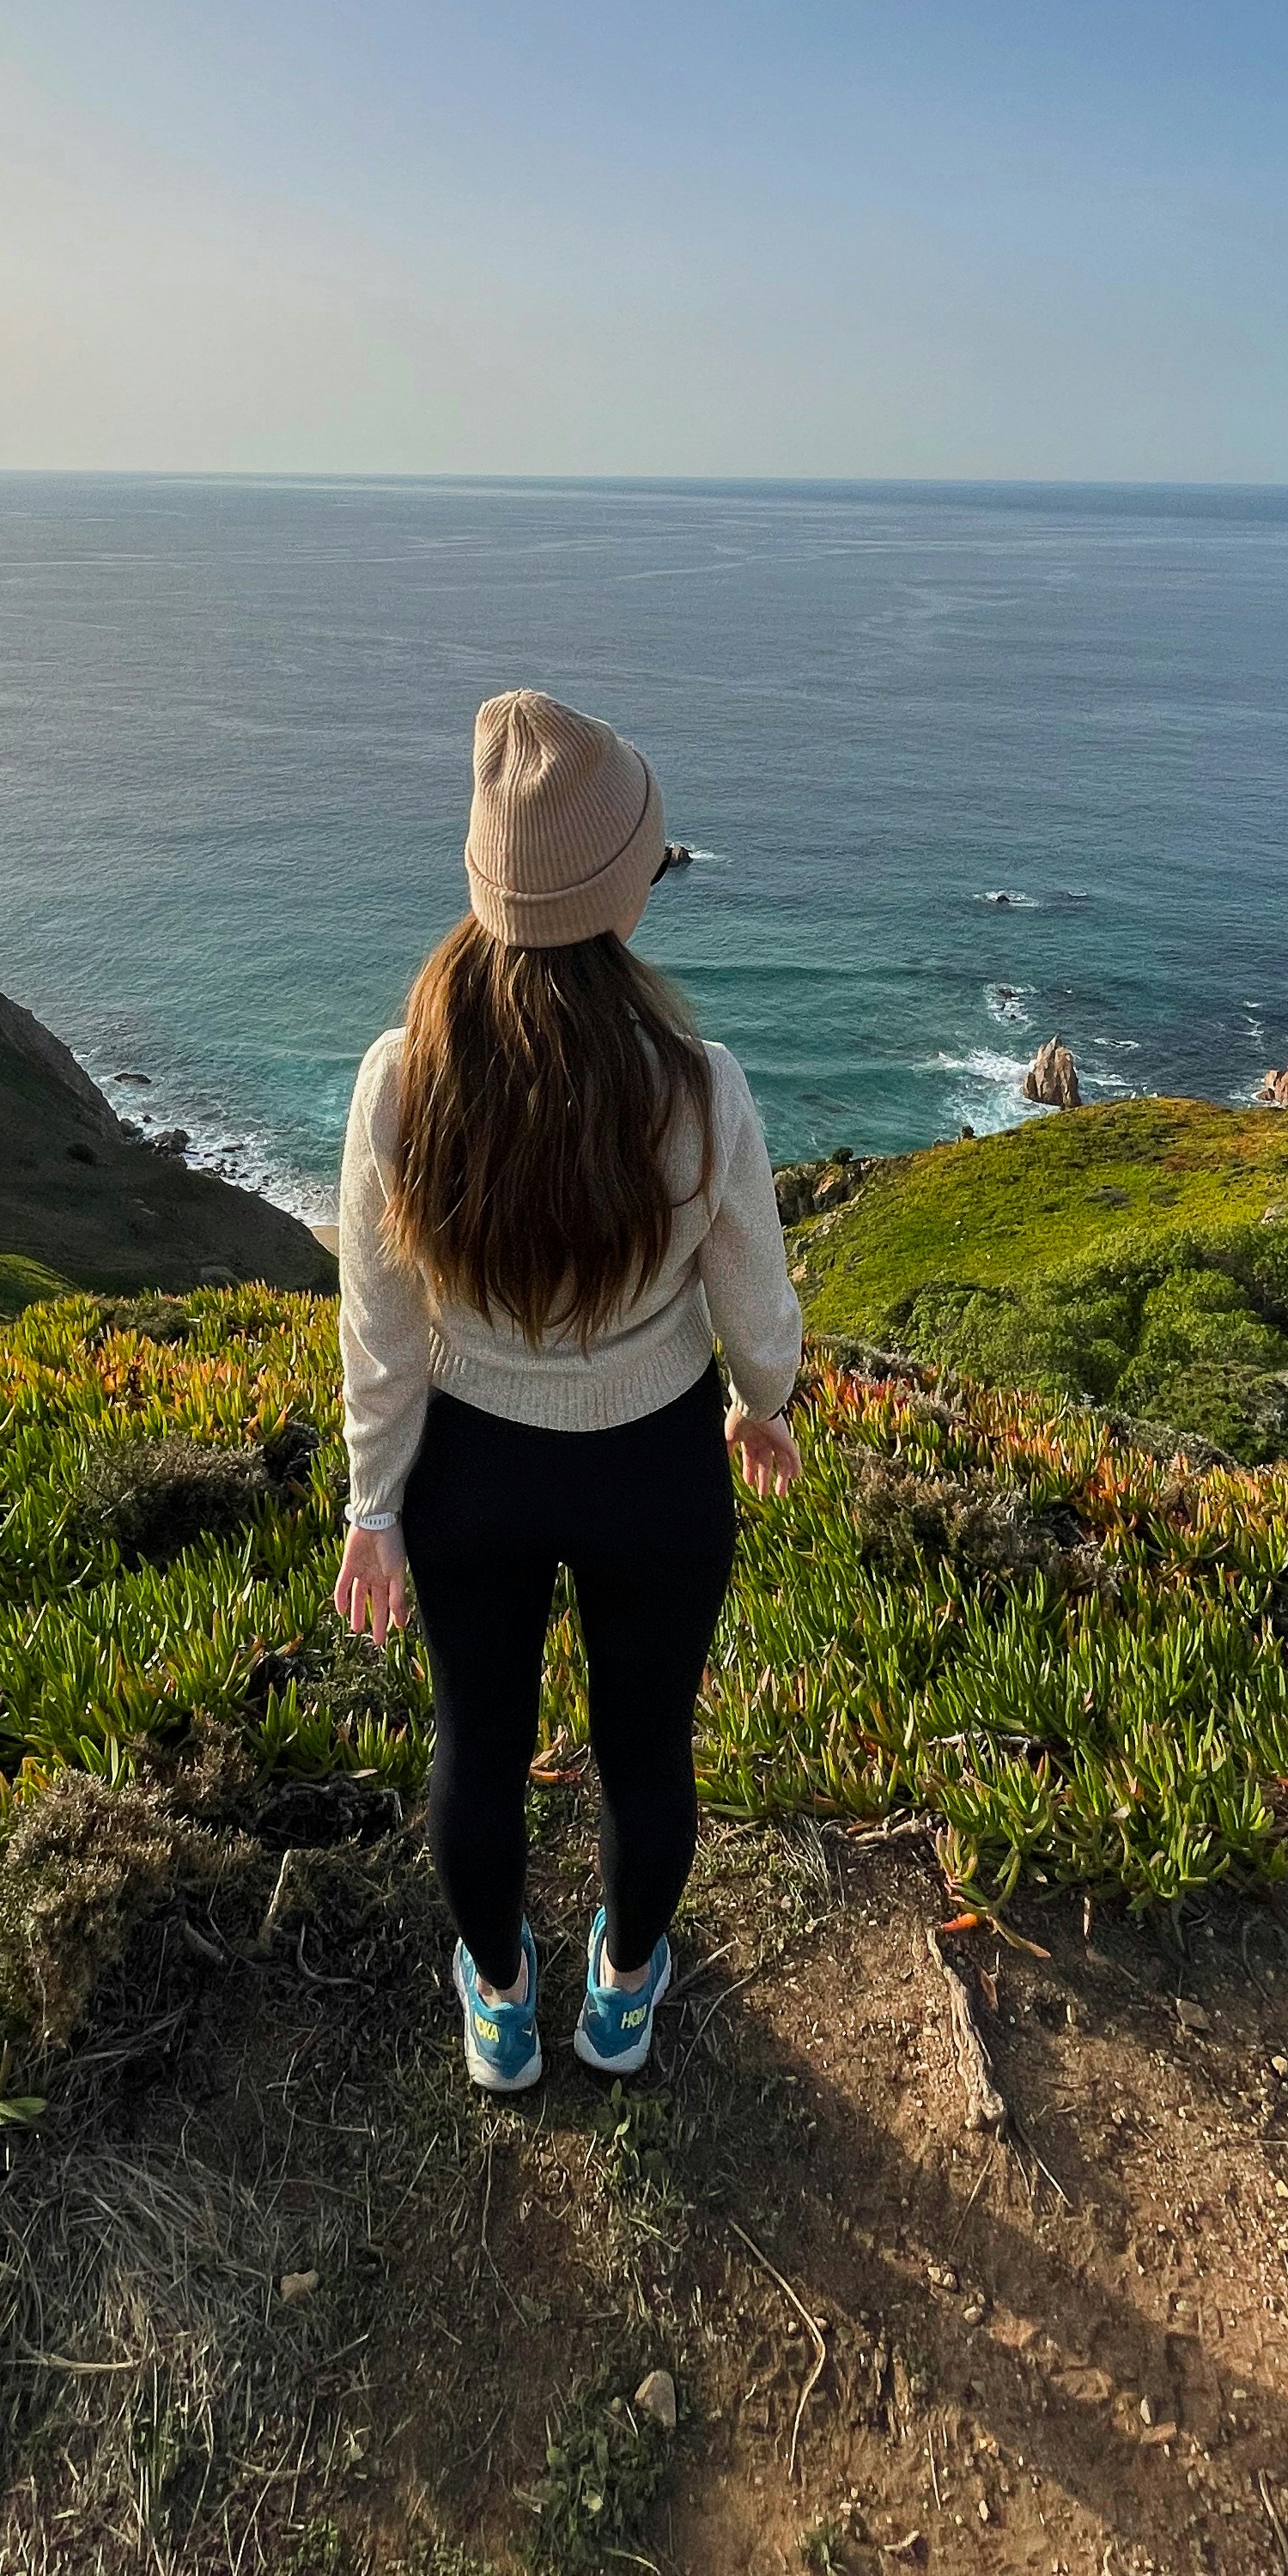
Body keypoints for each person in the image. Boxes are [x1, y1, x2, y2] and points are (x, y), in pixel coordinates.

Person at [331, 688, 803, 2091]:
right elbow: (753, 1297)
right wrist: (762, 1403)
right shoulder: (697, 1087)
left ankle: (495, 2000)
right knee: (646, 1751)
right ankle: (621, 1992)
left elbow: (381, 1321)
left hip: (470, 1471)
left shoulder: (402, 1084)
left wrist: (373, 1503)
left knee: (478, 1749)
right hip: (655, 1467)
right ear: (616, 892)